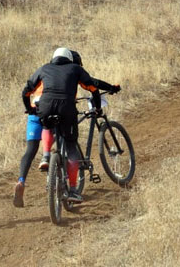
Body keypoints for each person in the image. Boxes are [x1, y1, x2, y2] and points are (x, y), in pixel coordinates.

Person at [22, 48, 120, 203]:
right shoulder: (75, 69)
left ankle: (46, 156)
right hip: (66, 109)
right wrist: (98, 105)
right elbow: (93, 86)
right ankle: (73, 190)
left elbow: (25, 91)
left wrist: (29, 109)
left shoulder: (45, 68)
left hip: (44, 108)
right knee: (71, 147)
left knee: (47, 127)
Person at [14, 50, 88, 208]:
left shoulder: (46, 71)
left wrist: (29, 108)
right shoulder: (71, 73)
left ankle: (22, 180)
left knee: (31, 149)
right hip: (57, 110)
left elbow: (28, 90)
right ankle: (67, 183)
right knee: (67, 143)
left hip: (36, 111)